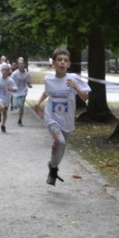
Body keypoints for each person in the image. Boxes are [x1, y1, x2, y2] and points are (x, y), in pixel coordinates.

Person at [34, 48, 90, 186]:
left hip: (67, 120)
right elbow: (47, 92)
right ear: (54, 63)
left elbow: (85, 97)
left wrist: (75, 87)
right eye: (59, 60)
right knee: (59, 141)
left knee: (61, 147)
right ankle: (53, 170)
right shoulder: (48, 79)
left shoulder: (74, 78)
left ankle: (53, 166)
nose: (62, 62)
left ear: (69, 64)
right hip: (51, 117)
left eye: (65, 60)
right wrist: (38, 103)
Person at [0, 64, 17, 133]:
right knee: (2, 107)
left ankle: (3, 125)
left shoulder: (10, 80)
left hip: (7, 97)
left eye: (6, 70)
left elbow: (15, 88)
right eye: (3, 70)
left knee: (5, 112)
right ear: (1, 70)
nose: (4, 72)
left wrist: (11, 89)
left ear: (9, 71)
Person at [11, 57, 32, 126]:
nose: (21, 65)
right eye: (19, 64)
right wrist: (11, 88)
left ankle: (20, 120)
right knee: (15, 105)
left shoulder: (27, 74)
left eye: (22, 63)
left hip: (23, 91)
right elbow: (10, 81)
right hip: (16, 92)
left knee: (21, 106)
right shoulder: (14, 73)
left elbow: (28, 82)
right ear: (17, 65)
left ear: (24, 64)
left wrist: (29, 85)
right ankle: (14, 105)